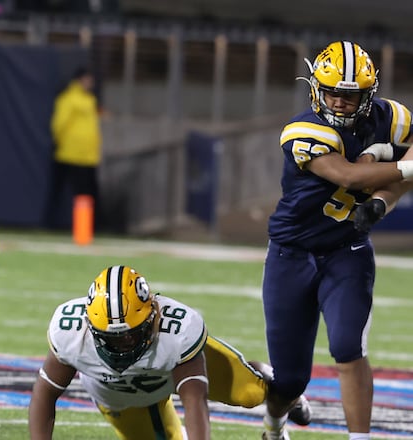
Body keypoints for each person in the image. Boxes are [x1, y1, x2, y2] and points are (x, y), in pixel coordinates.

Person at [262, 40, 413, 440]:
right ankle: (274, 425)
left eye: (351, 95)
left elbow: (407, 157)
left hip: (348, 249)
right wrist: (398, 167)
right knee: (289, 379)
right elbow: (349, 176)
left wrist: (382, 200)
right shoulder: (303, 130)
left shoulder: (390, 117)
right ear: (316, 88)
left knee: (349, 348)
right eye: (332, 93)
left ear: (368, 94)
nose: (341, 102)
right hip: (291, 254)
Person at [28, 265, 311, 440]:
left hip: (174, 368)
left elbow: (195, 401)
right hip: (121, 398)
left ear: (153, 316)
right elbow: (45, 393)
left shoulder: (177, 333)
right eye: (112, 338)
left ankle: (276, 384)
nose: (124, 344)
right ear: (90, 326)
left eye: (131, 333)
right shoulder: (71, 334)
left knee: (250, 393)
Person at [45, 66, 101, 230]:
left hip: (87, 155)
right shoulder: (68, 99)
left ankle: (86, 227)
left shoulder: (90, 100)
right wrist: (60, 142)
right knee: (65, 190)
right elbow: (59, 124)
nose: (90, 83)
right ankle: (53, 223)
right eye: (88, 79)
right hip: (69, 153)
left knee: (85, 193)